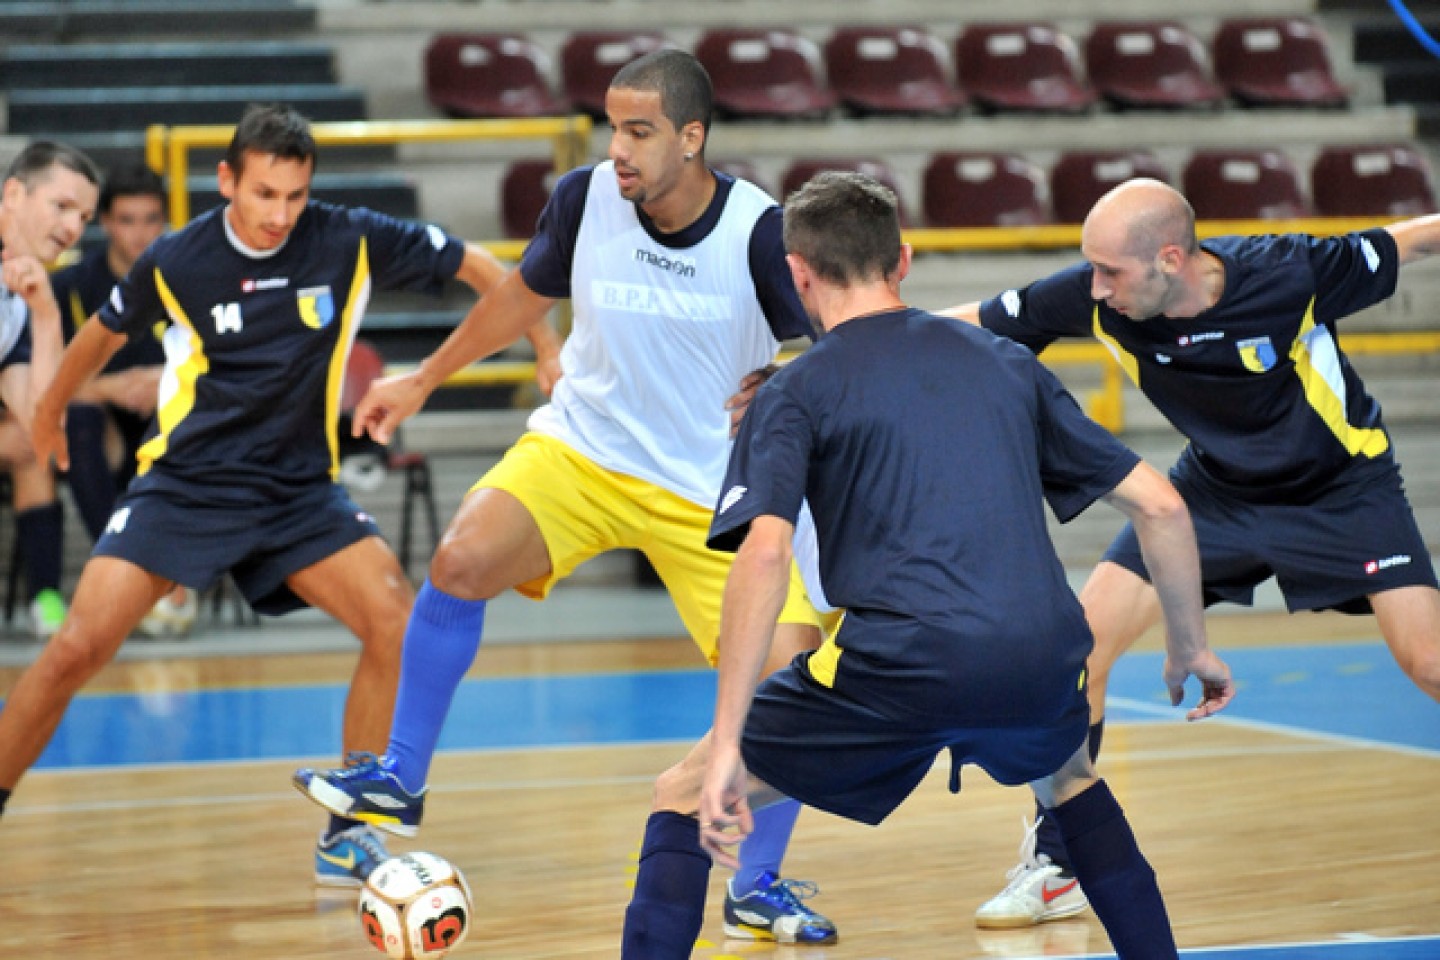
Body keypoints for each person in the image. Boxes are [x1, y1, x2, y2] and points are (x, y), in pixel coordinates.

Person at [292, 49, 841, 943]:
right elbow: (520, 293)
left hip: (710, 484)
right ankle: (399, 775)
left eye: (640, 131)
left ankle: (758, 884)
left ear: (692, 139)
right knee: (461, 558)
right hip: (584, 451)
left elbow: (838, 336)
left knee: (786, 672)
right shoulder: (584, 199)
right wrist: (425, 377)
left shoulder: (756, 231)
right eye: (611, 126)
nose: (616, 148)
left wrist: (785, 378)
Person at [619, 170, 1235, 960]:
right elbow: (1163, 505)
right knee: (1070, 780)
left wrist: (730, 739)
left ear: (798, 274)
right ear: (901, 259)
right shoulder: (1007, 361)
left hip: (898, 665)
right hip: (1039, 654)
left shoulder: (795, 389)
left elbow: (767, 554)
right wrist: (1190, 645)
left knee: (679, 792)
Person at [4, 103, 545, 889]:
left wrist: (544, 342)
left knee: (396, 619)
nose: (279, 215)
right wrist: (50, 410)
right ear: (227, 182)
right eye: (263, 195)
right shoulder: (177, 258)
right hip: (187, 486)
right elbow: (102, 336)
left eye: (294, 196)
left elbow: (484, 269)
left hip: (297, 493)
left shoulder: (348, 236)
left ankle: (350, 835)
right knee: (76, 649)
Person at [945, 178, 1440, 928]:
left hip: (1343, 489)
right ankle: (1058, 863)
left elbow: (1417, 237)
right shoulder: (1093, 297)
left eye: (1111, 272)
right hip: (1213, 495)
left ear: (1170, 259)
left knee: (1428, 661)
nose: (1096, 287)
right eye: (1092, 270)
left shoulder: (1292, 273)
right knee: (1074, 651)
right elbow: (963, 326)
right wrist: (834, 358)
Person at [48, 161, 196, 636]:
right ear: (106, 222)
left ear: (166, 222)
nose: (139, 233)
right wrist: (113, 387)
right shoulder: (70, 287)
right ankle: (126, 576)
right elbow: (45, 385)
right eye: (127, 220)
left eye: (151, 219)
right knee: (80, 418)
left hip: (173, 431)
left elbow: (226, 371)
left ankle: (166, 581)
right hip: (103, 434)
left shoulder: (192, 281)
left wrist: (168, 380)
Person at [0, 142, 101, 640]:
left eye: (83, 217)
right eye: (61, 206)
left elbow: (46, 432)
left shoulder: (20, 297)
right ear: (14, 194)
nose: (72, 228)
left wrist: (46, 315)